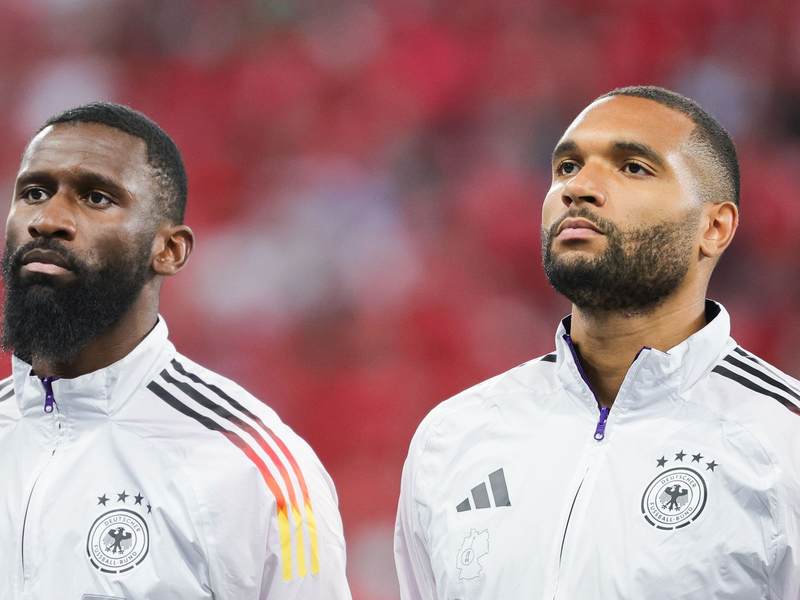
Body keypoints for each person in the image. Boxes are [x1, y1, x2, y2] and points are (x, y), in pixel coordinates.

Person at [394, 86, 800, 599]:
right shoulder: (452, 438)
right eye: (566, 167)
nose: (579, 187)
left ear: (714, 226)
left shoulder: (784, 442)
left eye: (632, 167)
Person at [0, 103, 352, 599]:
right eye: (34, 193)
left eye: (96, 198)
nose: (49, 219)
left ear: (169, 250)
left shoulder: (250, 468)